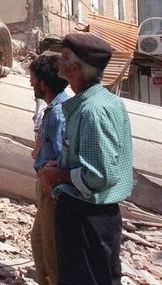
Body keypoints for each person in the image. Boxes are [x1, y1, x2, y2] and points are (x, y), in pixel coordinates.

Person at [38, 33, 133, 285]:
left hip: (86, 218)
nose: (57, 61)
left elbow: (99, 175)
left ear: (74, 68)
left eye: (63, 56)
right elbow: (104, 156)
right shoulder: (109, 102)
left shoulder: (91, 111)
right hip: (102, 217)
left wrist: (57, 175)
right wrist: (65, 163)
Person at [28, 52, 70, 285]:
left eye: (33, 79)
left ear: (43, 84)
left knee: (51, 253)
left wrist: (48, 174)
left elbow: (61, 156)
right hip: (49, 187)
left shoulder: (58, 113)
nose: (30, 83)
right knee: (39, 242)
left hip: (52, 191)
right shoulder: (55, 108)